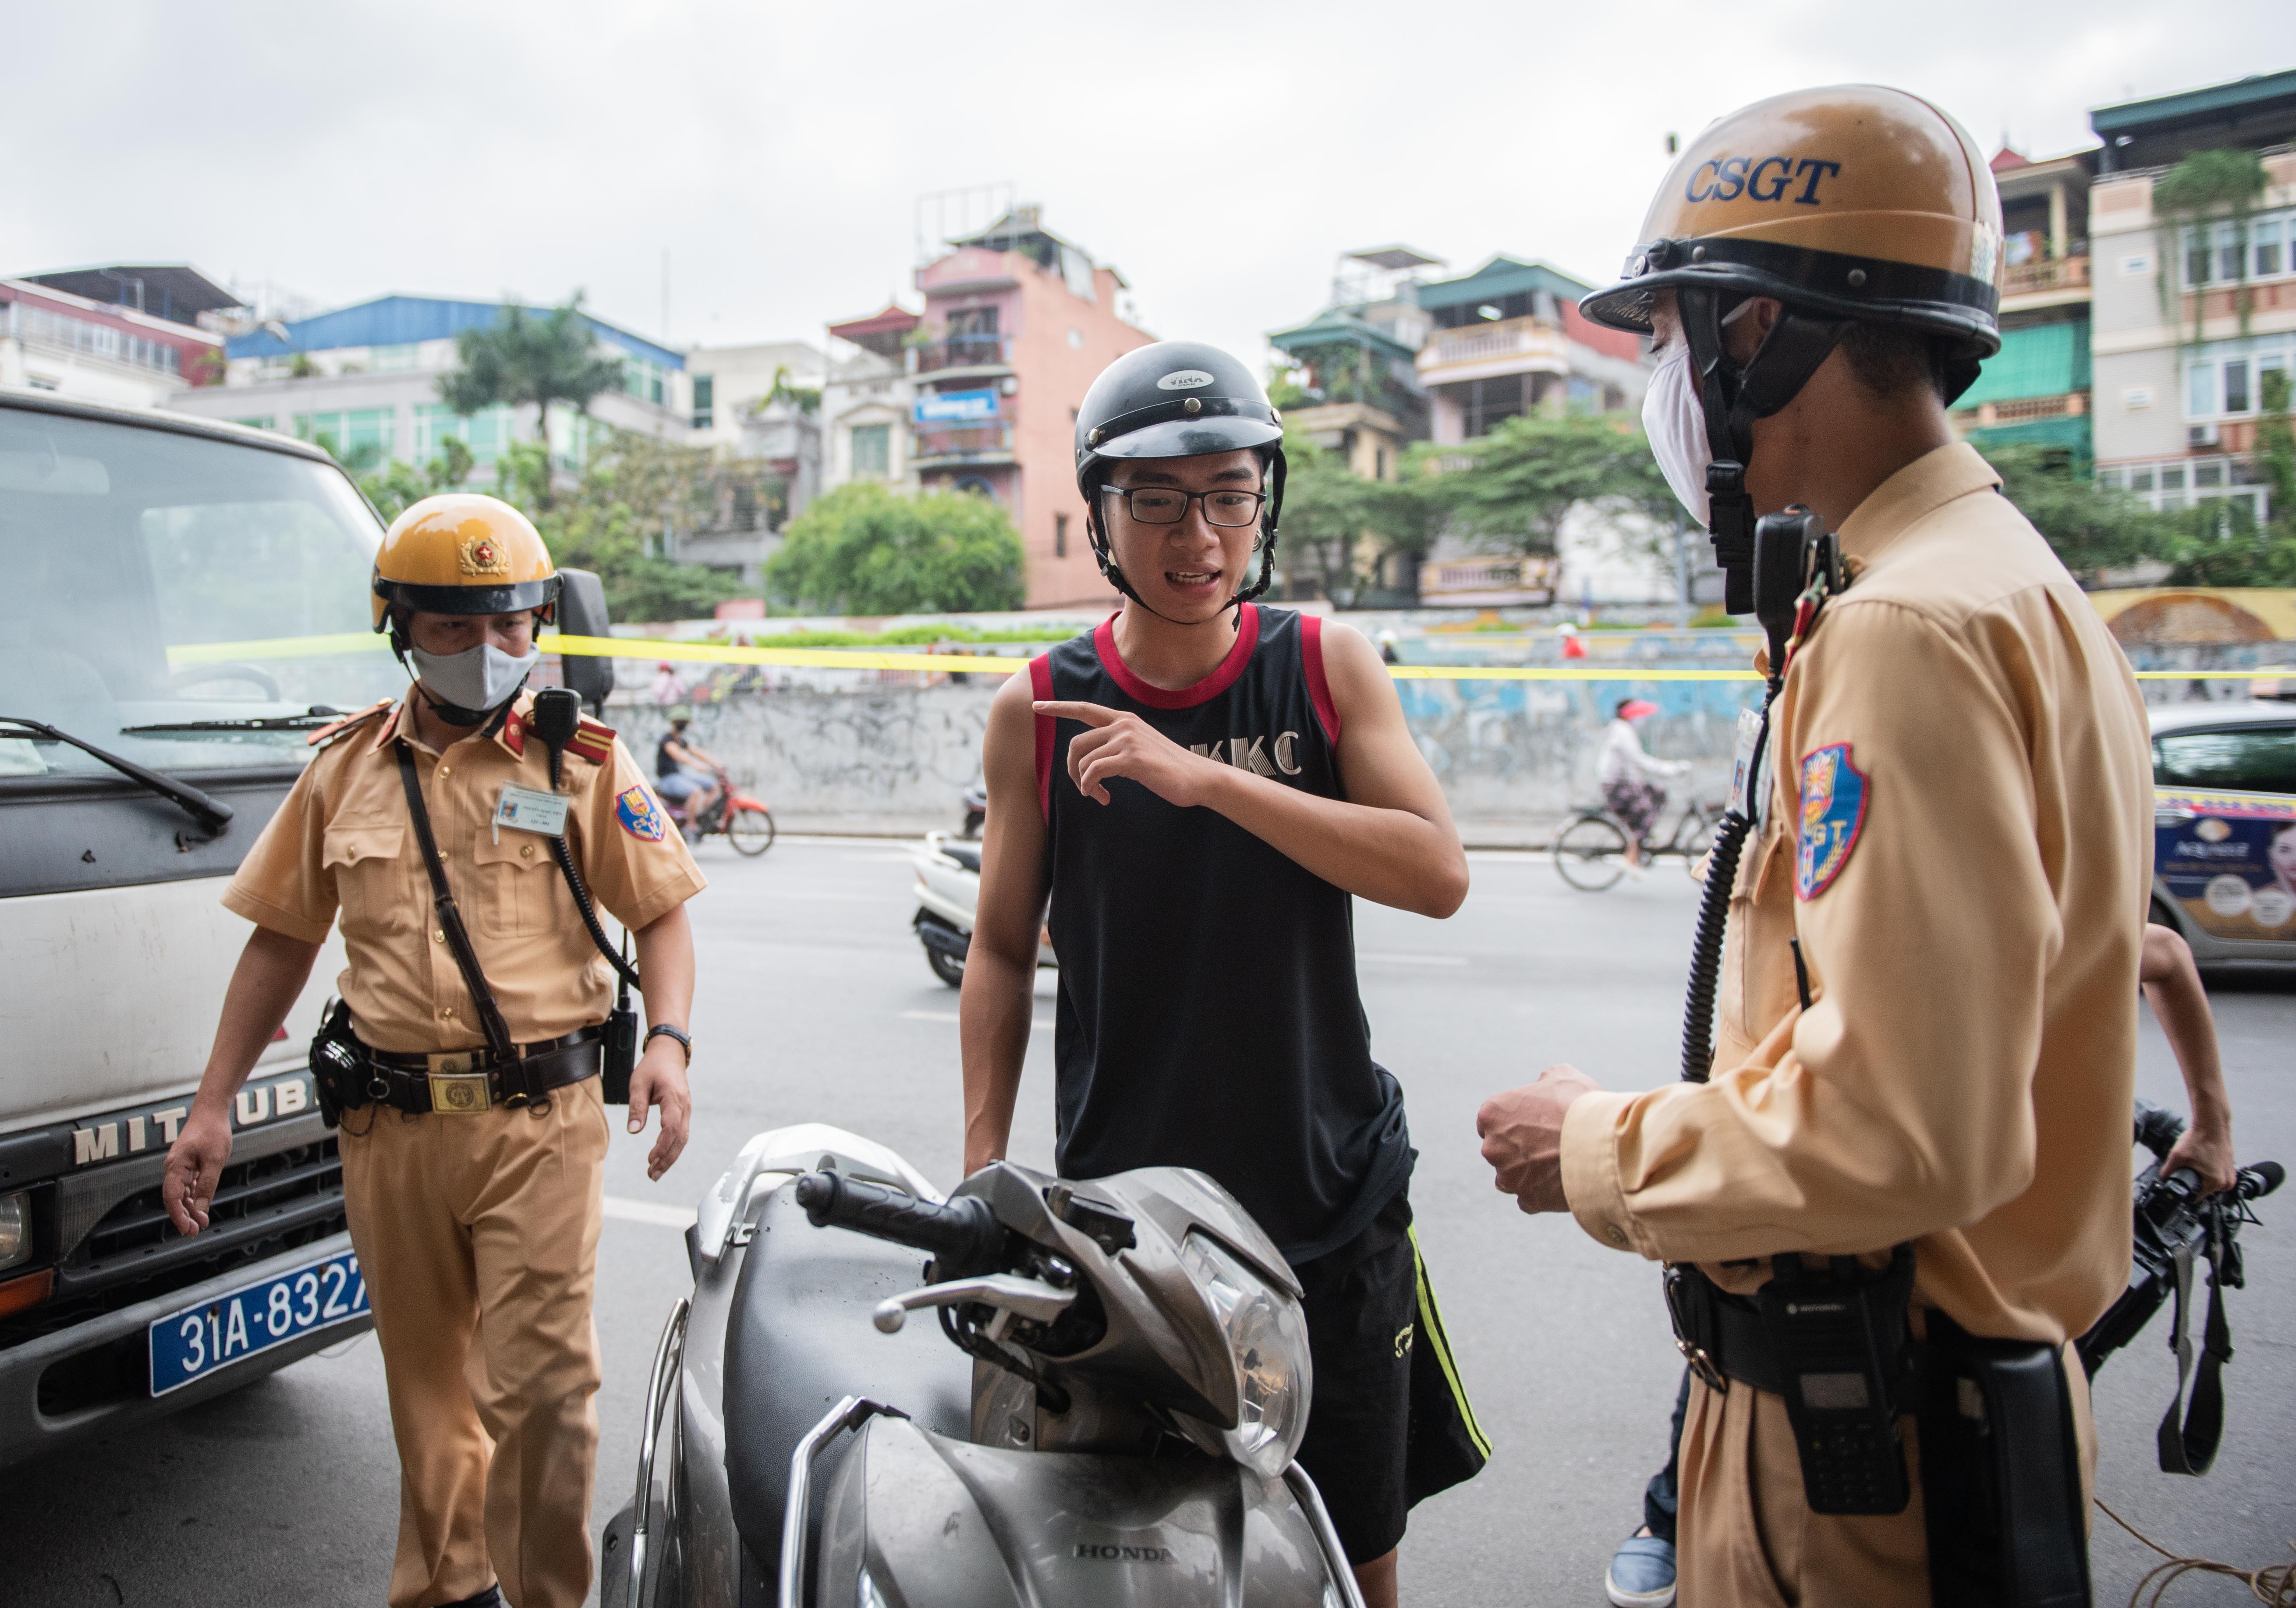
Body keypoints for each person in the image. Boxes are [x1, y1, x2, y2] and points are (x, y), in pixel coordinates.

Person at [1474, 86, 2154, 1607]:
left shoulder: (1907, 628)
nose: (1664, 385)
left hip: (1858, 1474)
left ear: (1757, 334)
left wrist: (1594, 1139)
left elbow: (1904, 1127)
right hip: (1939, 1435)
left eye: (1671, 339)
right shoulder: (2017, 591)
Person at [962, 341, 1488, 1608]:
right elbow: (992, 945)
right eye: (1156, 499)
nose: (1199, 534)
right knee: (1132, 1551)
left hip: (1329, 1205)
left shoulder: (1322, 666)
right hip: (1129, 1231)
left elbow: (1435, 870)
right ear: (1099, 514)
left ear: (1266, 503)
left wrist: (1206, 778)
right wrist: (983, 1165)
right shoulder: (1040, 706)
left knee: (1352, 1555)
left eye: (1230, 495)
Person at [161, 494, 706, 1608]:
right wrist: (211, 1106)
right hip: (390, 1127)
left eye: (512, 625)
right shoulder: (342, 769)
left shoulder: (580, 761)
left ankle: (545, 1596)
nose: (490, 651)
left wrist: (670, 1042)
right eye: (456, 627)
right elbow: (281, 941)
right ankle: (446, 1591)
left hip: (538, 1126)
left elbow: (660, 909)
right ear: (400, 626)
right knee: (426, 1396)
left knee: (548, 1390)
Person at [1602, 919, 2240, 1608]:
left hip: (1969, 1234)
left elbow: (2165, 954)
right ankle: (1667, 1517)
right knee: (1740, 1335)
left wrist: (2214, 1130)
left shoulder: (1974, 931)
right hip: (1862, 1221)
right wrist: (2211, 1127)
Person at [1597, 697, 1689, 871]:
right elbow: (1639, 761)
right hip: (1617, 786)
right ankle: (1633, 855)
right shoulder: (1622, 732)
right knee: (1644, 812)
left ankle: (1639, 844)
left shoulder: (1624, 730)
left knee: (1658, 794)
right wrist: (1670, 769)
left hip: (1627, 783)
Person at [656, 714, 723, 828]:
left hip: (680, 776)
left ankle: (700, 815)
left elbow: (697, 752)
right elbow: (677, 754)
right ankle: (691, 826)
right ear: (673, 723)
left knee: (714, 786)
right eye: (680, 722)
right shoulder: (667, 740)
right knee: (696, 792)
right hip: (668, 779)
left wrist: (717, 764)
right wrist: (696, 765)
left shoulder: (681, 740)